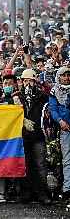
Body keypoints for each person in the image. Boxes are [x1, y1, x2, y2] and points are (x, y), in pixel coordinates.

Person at [15, 69, 51, 205]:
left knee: (40, 165)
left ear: (35, 81)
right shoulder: (18, 97)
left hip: (38, 135)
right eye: (25, 81)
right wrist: (22, 120)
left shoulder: (42, 96)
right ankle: (26, 193)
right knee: (25, 165)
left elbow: (47, 114)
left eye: (30, 80)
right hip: (23, 136)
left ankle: (43, 194)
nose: (27, 83)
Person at [49, 66, 70, 203]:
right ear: (59, 76)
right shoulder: (54, 91)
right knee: (67, 159)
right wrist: (60, 121)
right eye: (64, 75)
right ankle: (68, 188)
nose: (67, 77)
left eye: (69, 75)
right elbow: (53, 109)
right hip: (64, 129)